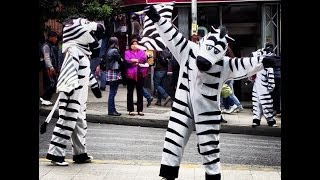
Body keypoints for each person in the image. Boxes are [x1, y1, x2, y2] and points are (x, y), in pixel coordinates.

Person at [144, 5, 280, 180]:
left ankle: (212, 176)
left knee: (209, 147)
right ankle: (168, 175)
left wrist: (263, 61)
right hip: (183, 105)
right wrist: (159, 20)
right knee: (173, 140)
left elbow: (243, 64)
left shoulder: (223, 64)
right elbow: (172, 36)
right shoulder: (189, 50)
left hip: (207, 112)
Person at [45, 18, 104, 166]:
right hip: (72, 94)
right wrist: (69, 87)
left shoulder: (80, 52)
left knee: (78, 123)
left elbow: (84, 72)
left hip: (78, 97)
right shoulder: (73, 50)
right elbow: (69, 70)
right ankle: (55, 154)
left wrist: (94, 85)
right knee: (66, 122)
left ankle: (80, 154)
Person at [250, 46, 278, 127]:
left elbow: (271, 78)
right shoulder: (258, 64)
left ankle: (270, 121)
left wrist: (271, 87)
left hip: (264, 88)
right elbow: (252, 75)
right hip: (257, 87)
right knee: (257, 104)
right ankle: (256, 120)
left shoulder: (267, 65)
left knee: (266, 104)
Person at [124, 39, 149, 116]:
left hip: (140, 74)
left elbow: (144, 59)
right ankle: (131, 110)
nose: (134, 45)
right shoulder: (127, 52)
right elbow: (127, 60)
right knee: (130, 92)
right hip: (130, 75)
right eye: (133, 44)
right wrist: (136, 61)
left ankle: (140, 110)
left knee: (140, 92)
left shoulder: (142, 52)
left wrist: (134, 60)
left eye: (136, 44)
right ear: (130, 45)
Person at [104, 36, 123, 116]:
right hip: (114, 71)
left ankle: (112, 110)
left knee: (112, 92)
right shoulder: (115, 50)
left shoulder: (109, 50)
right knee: (113, 92)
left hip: (110, 71)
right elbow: (120, 60)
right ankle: (111, 110)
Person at [40, 31, 59, 106]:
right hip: (48, 68)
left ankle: (46, 98)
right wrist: (51, 67)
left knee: (53, 83)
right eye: (55, 37)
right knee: (51, 83)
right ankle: (44, 98)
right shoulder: (46, 46)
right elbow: (47, 57)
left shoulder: (51, 45)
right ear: (50, 37)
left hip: (51, 67)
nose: (56, 39)